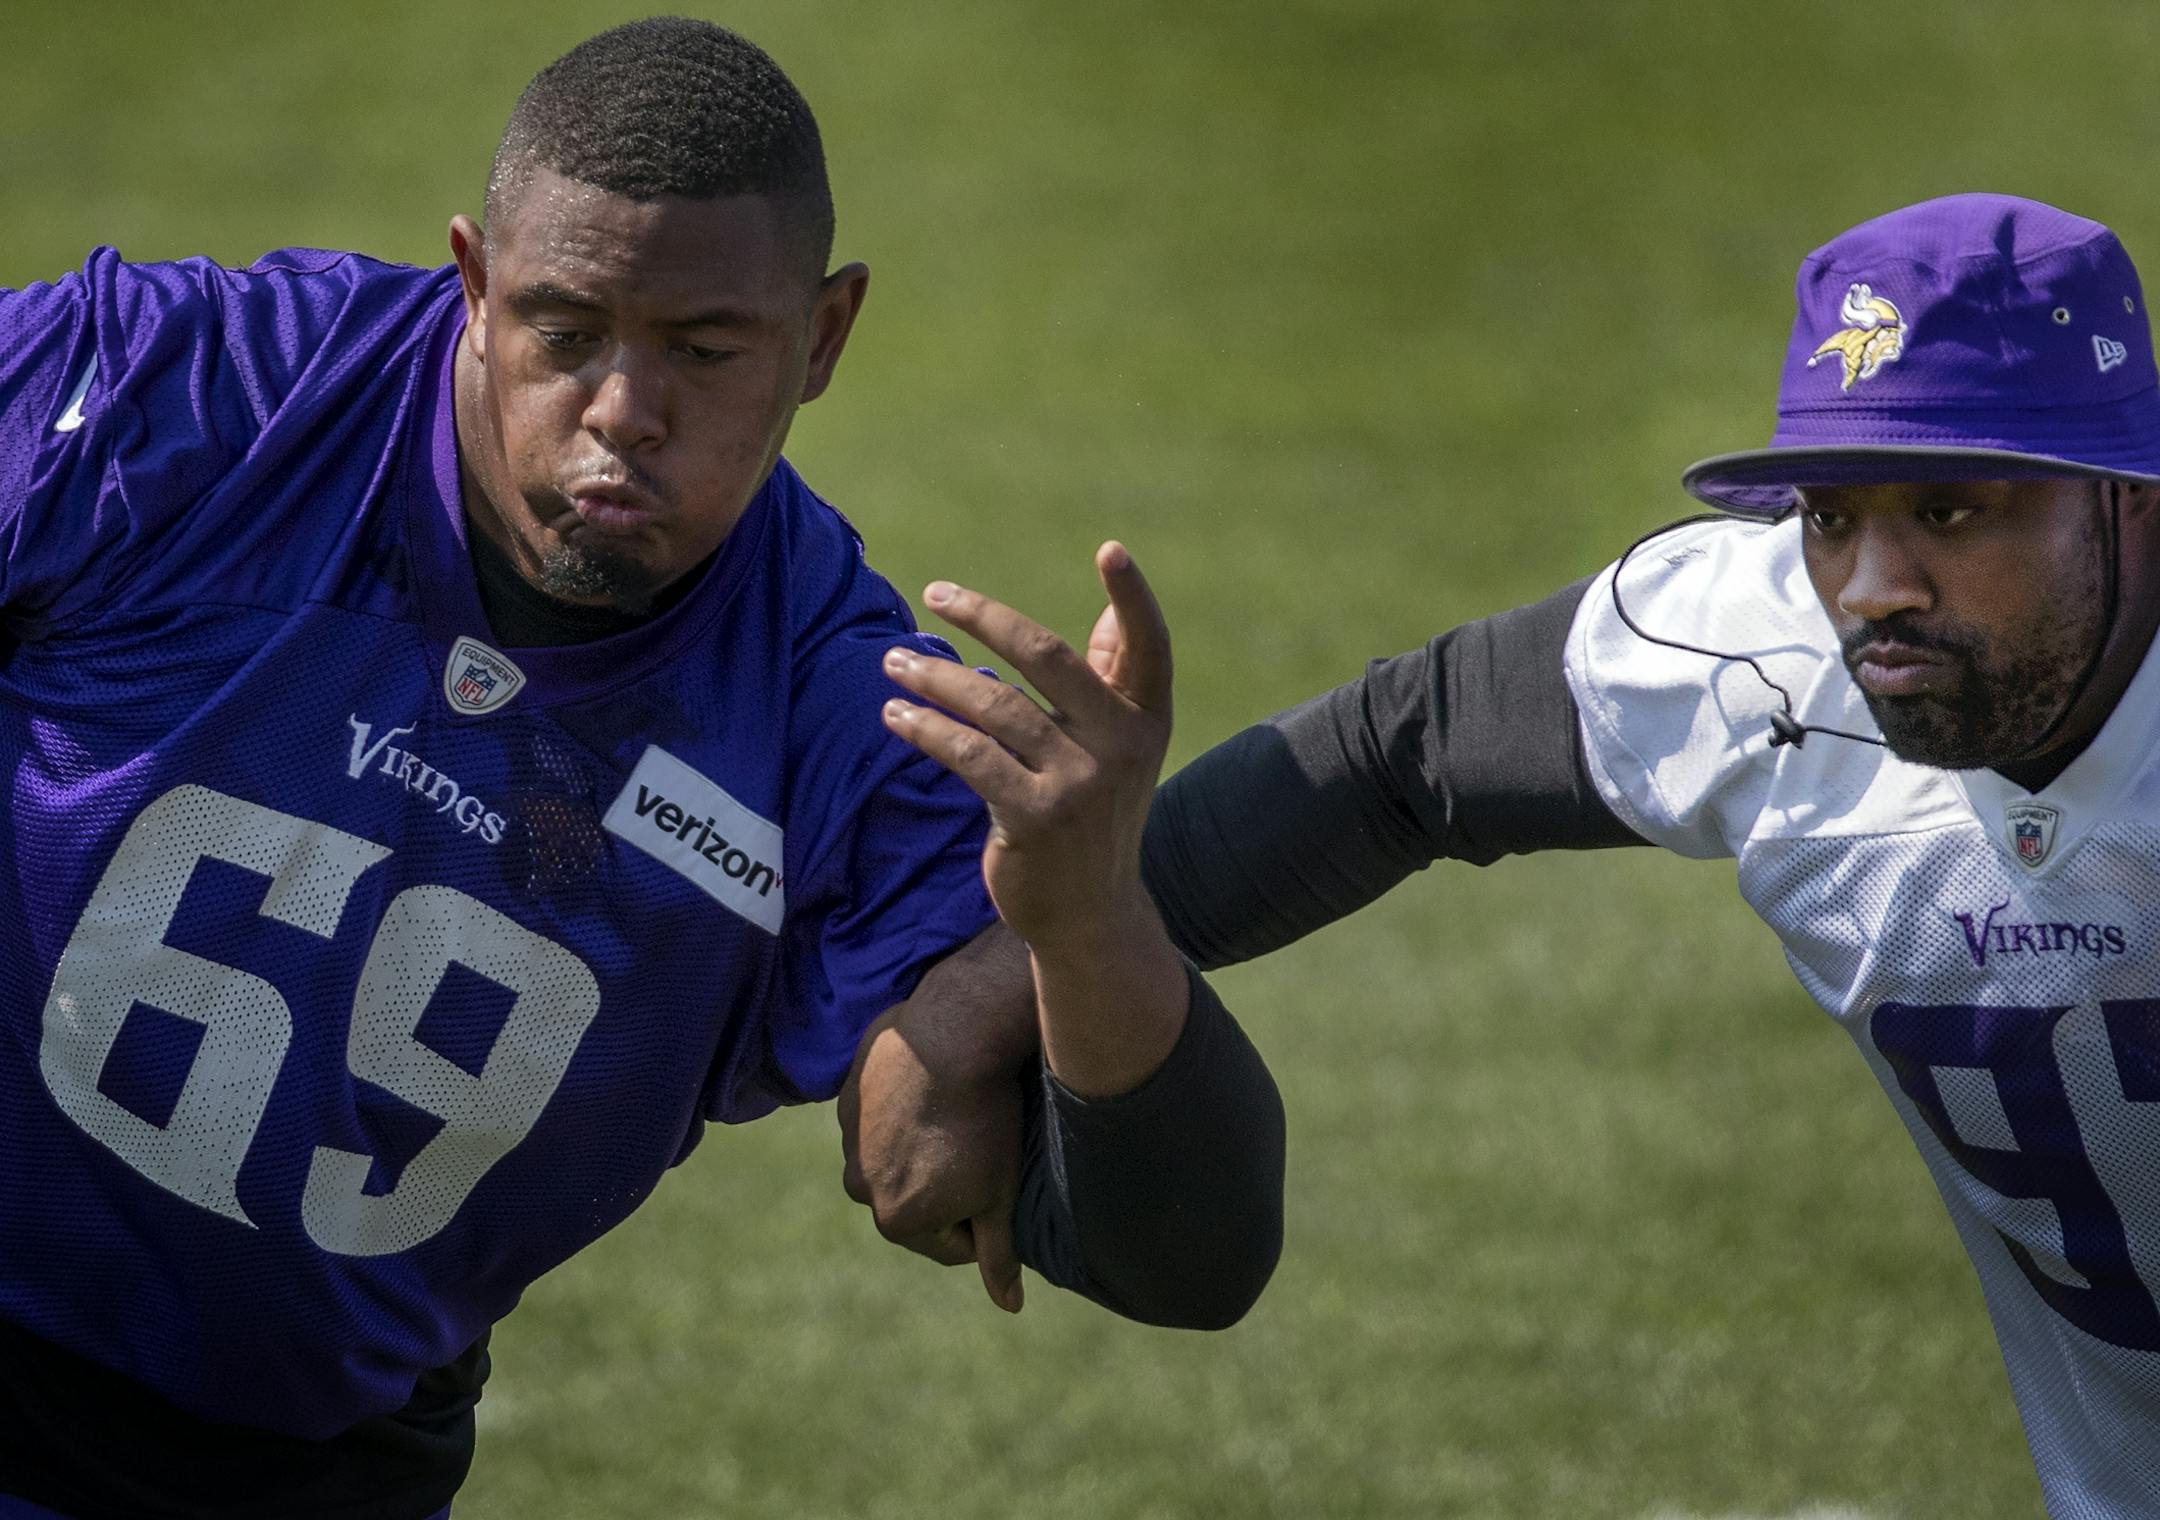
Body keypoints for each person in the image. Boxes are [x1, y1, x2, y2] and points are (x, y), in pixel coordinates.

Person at [0, 18, 1282, 1520]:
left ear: (825, 337)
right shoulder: (180, 392)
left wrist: (1084, 925)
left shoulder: (839, 724)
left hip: (298, 1474)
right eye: (565, 333)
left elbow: (1192, 1264)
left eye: (703, 350)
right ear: (475, 284)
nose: (623, 412)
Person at [1120, 192, 2160, 1517]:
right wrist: (1000, 968)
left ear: (2130, 497)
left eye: (1950, 511)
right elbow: (1402, 753)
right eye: (1829, 515)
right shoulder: (1769, 649)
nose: (1870, 587)